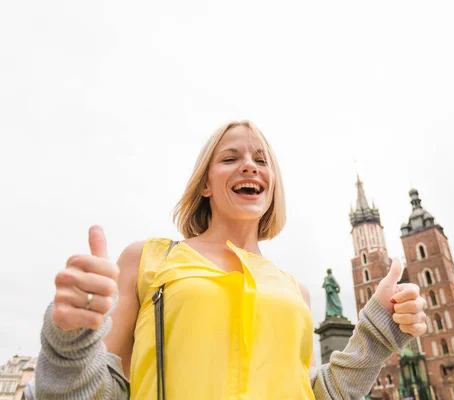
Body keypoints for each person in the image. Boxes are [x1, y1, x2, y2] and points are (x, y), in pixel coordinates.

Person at [31, 121, 427, 399]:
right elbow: (101, 392)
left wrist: (374, 336)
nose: (249, 165)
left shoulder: (296, 291)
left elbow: (306, 394)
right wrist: (69, 339)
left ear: (272, 186)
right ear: (205, 183)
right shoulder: (147, 259)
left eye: (261, 159)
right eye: (230, 158)